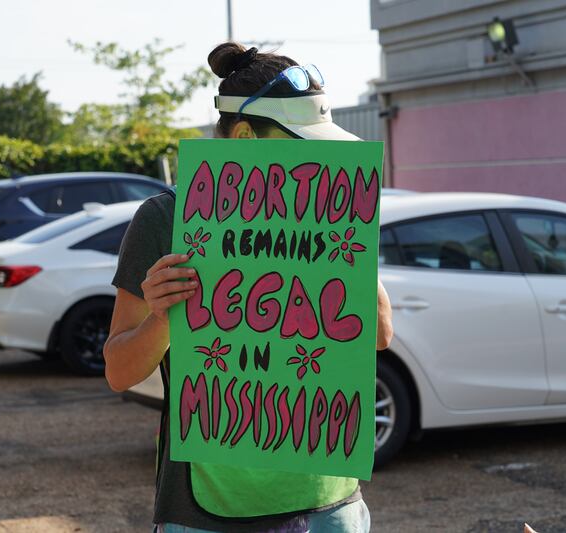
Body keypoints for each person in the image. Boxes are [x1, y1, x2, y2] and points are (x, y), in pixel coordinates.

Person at [104, 42, 394, 533]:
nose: (316, 160)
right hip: (207, 514)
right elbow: (118, 371)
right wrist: (162, 317)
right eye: (301, 143)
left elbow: (379, 333)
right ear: (242, 135)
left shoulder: (326, 213)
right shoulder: (166, 219)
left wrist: (347, 247)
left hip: (330, 504)